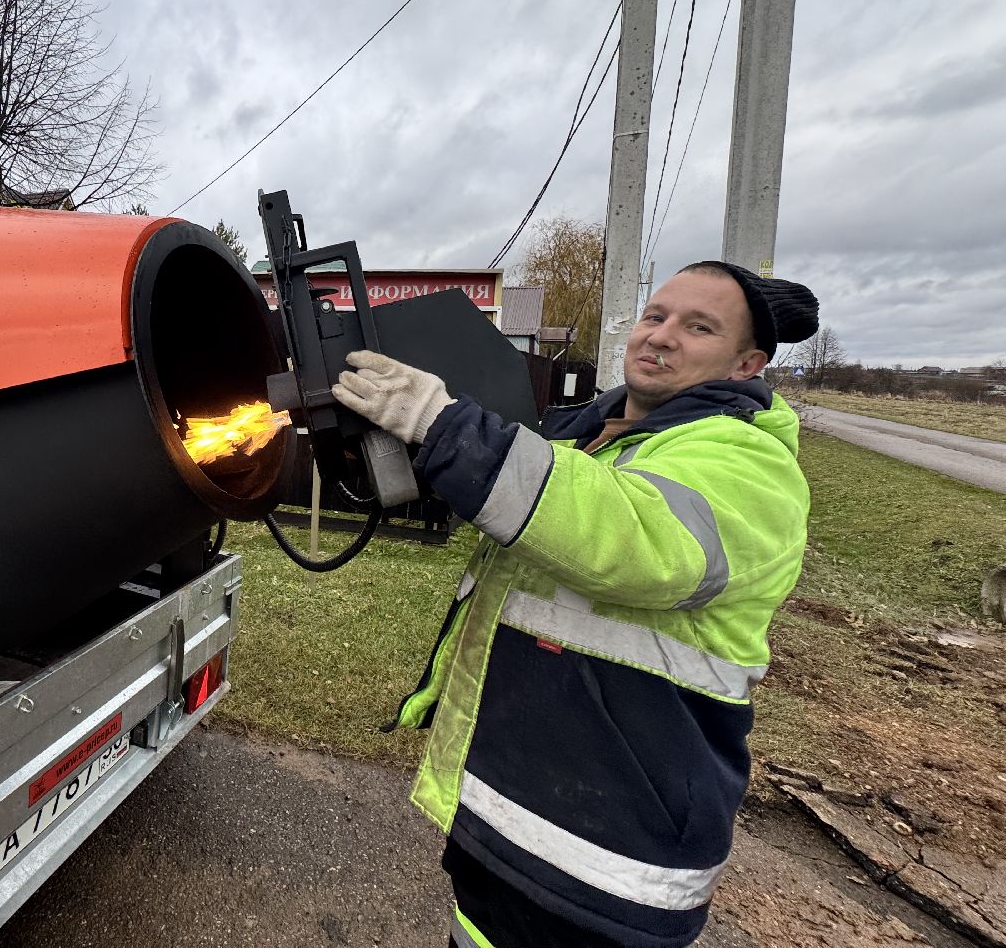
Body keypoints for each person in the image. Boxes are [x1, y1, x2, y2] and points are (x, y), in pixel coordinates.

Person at [331, 262, 820, 948]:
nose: (661, 336)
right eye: (656, 316)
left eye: (699, 327)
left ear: (747, 364)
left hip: (610, 855)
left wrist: (446, 427)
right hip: (516, 810)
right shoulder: (593, 436)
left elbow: (629, 536)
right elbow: (535, 511)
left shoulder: (747, 460)